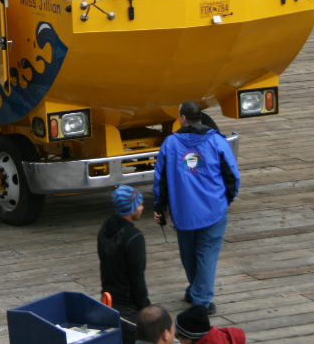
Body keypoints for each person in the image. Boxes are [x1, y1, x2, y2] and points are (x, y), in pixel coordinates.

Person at [153, 101, 239, 314]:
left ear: (182, 118)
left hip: (183, 212)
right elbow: (232, 176)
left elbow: (160, 178)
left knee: (188, 254)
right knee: (207, 253)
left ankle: (195, 291)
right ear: (199, 117)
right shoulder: (217, 141)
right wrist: (225, 200)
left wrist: (160, 206)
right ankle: (201, 300)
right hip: (213, 209)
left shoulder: (170, 143)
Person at [98, 186, 149, 344]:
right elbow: (137, 279)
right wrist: (146, 309)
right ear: (130, 207)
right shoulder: (134, 237)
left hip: (107, 302)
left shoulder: (104, 229)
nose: (142, 207)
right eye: (139, 203)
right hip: (128, 309)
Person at [174, 304, 246, 344]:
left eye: (177, 335)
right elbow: (240, 334)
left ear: (189, 340)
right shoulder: (220, 333)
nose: (175, 335)